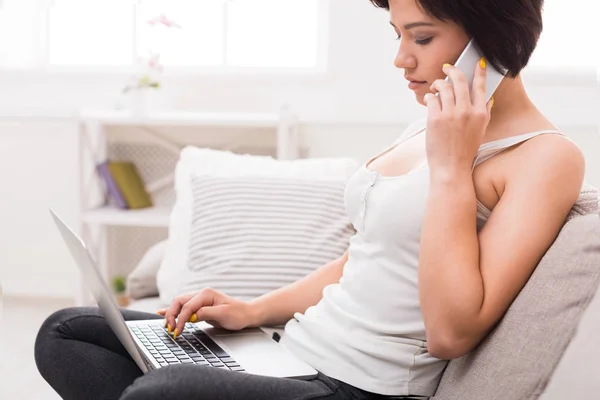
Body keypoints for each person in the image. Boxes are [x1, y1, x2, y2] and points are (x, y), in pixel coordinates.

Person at [35, 0, 585, 399]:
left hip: (359, 385)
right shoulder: (430, 122)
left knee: (161, 393)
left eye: (420, 38)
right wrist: (251, 310)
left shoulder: (546, 158)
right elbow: (365, 259)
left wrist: (451, 167)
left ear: (488, 43)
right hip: (293, 351)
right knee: (64, 333)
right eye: (396, 34)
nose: (400, 58)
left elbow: (450, 333)